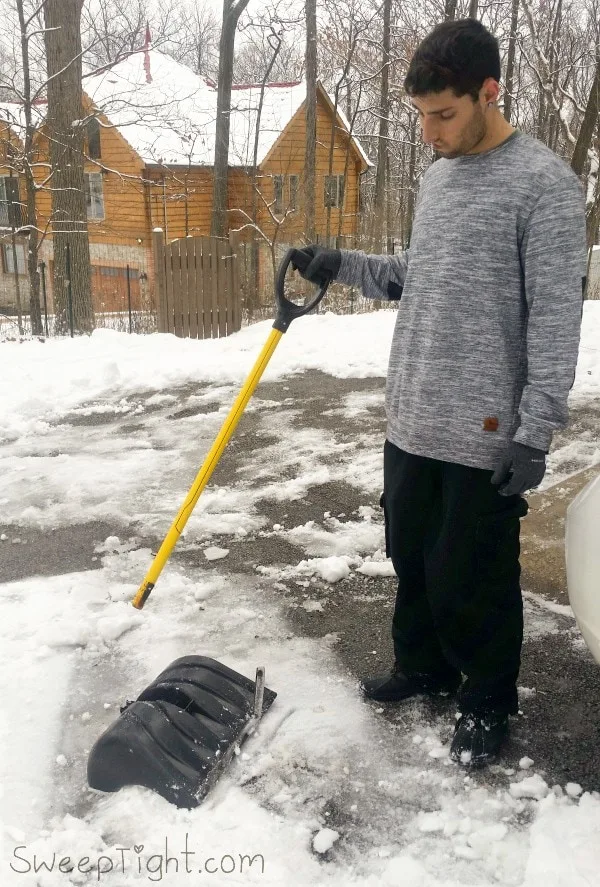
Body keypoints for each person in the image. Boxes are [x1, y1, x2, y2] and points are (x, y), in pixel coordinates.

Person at [290, 18, 587, 767]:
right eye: (422, 116)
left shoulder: (545, 187)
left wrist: (535, 431)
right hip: (413, 411)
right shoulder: (438, 174)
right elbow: (413, 274)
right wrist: (339, 262)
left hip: (486, 425)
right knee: (411, 554)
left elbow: (556, 319)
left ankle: (487, 696)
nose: (430, 132)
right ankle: (423, 666)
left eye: (444, 114)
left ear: (490, 92)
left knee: (473, 572)